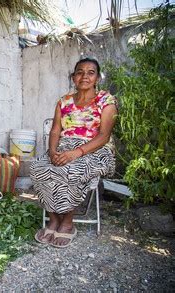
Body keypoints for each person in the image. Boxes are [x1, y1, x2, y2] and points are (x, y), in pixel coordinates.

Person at [30, 57, 118, 248]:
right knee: (38, 167)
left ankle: (67, 222)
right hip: (64, 147)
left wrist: (76, 153)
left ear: (97, 78)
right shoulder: (63, 101)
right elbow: (55, 130)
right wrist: (52, 151)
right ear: (73, 77)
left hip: (95, 149)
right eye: (80, 72)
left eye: (90, 72)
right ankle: (53, 219)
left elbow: (104, 136)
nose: (84, 76)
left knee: (70, 170)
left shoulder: (106, 101)